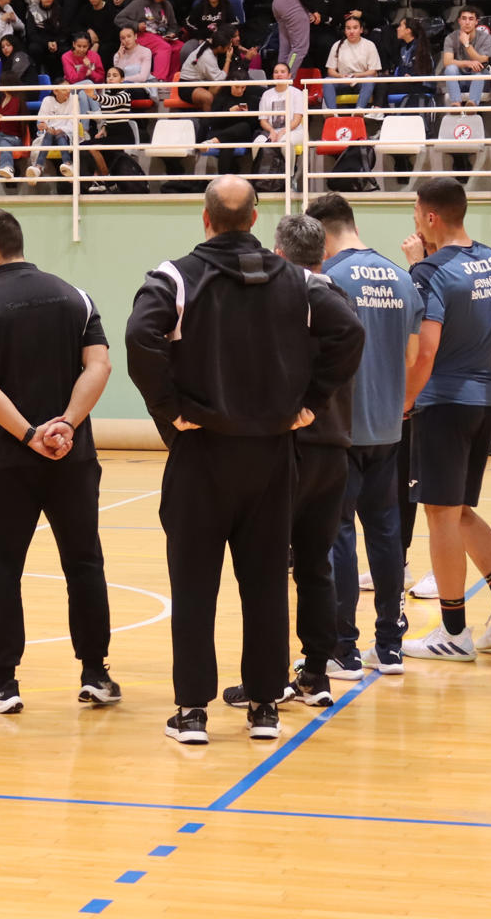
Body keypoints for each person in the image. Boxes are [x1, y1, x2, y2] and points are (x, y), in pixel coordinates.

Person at [124, 181, 360, 744]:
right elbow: (348, 332)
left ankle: (192, 712)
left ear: (205, 219)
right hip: (273, 456)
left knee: (194, 585)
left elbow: (139, 335)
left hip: (202, 451)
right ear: (255, 217)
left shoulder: (174, 277)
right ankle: (264, 705)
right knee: (264, 585)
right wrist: (310, 403)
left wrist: (169, 409)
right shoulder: (301, 281)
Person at [0, 207, 117, 714]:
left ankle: (2, 682)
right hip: (72, 456)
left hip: (7, 462)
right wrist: (65, 424)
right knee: (84, 562)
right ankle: (96, 675)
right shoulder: (77, 297)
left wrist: (28, 435)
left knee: (2, 570)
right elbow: (100, 365)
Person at [397, 178, 491, 663]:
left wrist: (404, 403)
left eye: (416, 211)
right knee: (457, 512)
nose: (414, 220)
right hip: (483, 399)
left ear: (431, 217)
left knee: (439, 516)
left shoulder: (430, 272)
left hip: (443, 404)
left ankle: (453, 630)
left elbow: (426, 350)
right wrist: (484, 374)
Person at [308, 193, 423, 676]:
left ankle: (344, 648)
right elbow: (415, 358)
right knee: (386, 535)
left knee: (338, 537)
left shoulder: (328, 279)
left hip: (342, 430)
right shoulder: (402, 277)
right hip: (389, 428)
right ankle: (391, 646)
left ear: (322, 233)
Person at [271, 214, 366, 709]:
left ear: (280, 255)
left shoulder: (296, 296)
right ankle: (315, 673)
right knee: (314, 566)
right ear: (324, 253)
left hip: (296, 446)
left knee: (270, 564)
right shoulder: (337, 294)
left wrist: (305, 401)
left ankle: (270, 678)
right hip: (335, 446)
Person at [322, 14, 381, 110]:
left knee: (369, 80)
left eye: (355, 28)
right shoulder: (337, 45)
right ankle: (332, 113)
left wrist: (356, 75)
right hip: (343, 81)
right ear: (345, 30)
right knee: (327, 81)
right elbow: (331, 70)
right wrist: (341, 76)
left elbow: (373, 71)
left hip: (361, 80)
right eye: (348, 28)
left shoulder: (369, 45)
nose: (351, 31)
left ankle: (359, 110)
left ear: (361, 30)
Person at [27, 81, 81, 181]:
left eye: (69, 89)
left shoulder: (74, 99)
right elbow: (41, 121)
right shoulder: (47, 100)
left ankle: (67, 164)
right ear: (55, 91)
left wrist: (61, 130)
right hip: (48, 135)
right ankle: (38, 167)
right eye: (64, 89)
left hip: (66, 134)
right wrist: (46, 128)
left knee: (60, 135)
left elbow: (74, 122)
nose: (68, 91)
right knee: (49, 134)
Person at [440, 7, 491, 108]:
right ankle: (456, 103)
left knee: (479, 71)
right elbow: (447, 61)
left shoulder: (486, 38)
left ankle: (472, 104)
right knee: (450, 68)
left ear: (477, 22)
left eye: (471, 19)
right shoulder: (450, 38)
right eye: (464, 19)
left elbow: (483, 60)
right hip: (459, 79)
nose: (467, 22)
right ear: (459, 21)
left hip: (480, 79)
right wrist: (467, 63)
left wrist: (467, 44)